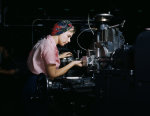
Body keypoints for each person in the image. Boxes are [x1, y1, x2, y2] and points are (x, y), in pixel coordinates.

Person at [22, 20, 83, 116]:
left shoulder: (45, 41)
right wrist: (73, 63)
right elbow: (53, 74)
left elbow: (42, 57)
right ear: (60, 32)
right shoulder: (49, 47)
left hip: (31, 81)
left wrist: (59, 56)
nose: (69, 40)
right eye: (68, 36)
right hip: (37, 86)